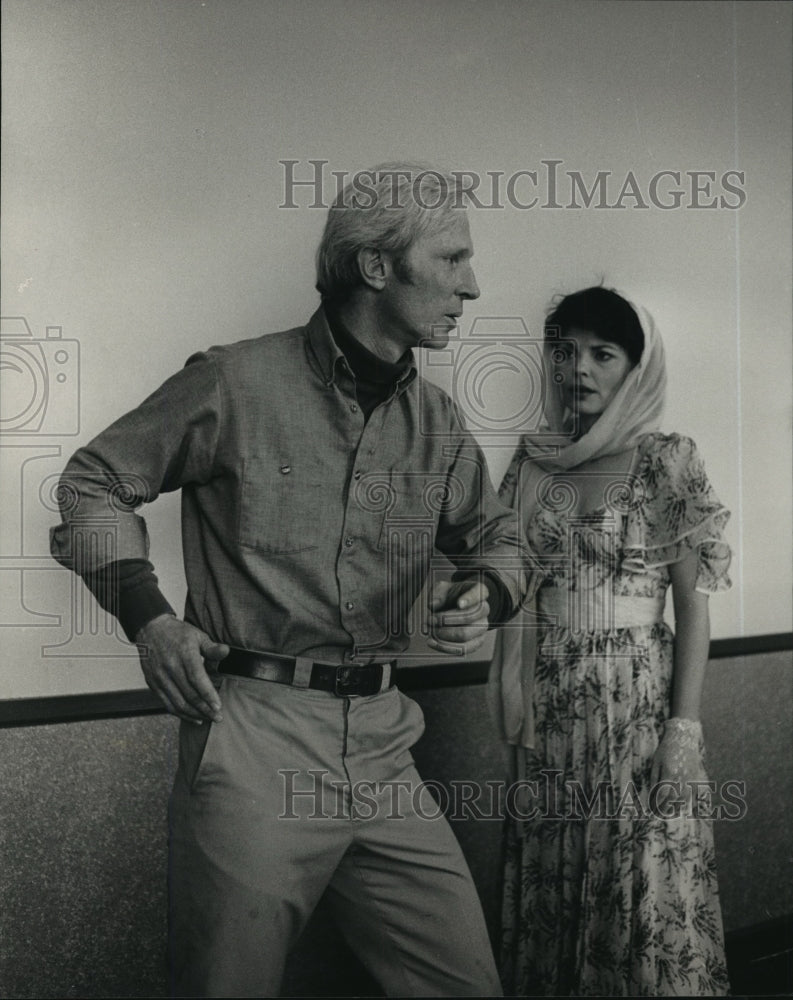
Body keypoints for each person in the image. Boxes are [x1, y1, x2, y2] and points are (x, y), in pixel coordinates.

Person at [50, 163, 530, 998]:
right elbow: (92, 482)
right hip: (253, 742)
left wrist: (488, 592)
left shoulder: (439, 424)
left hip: (385, 740)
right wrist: (149, 619)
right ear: (376, 267)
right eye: (451, 260)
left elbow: (501, 536)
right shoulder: (235, 383)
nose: (472, 286)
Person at [490, 286, 732, 996]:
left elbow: (691, 607)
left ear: (635, 367)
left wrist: (681, 732)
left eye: (602, 353)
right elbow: (508, 578)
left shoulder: (664, 460)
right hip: (550, 706)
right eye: (565, 352)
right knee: (557, 882)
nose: (579, 369)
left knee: (642, 891)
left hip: (636, 708)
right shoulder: (535, 464)